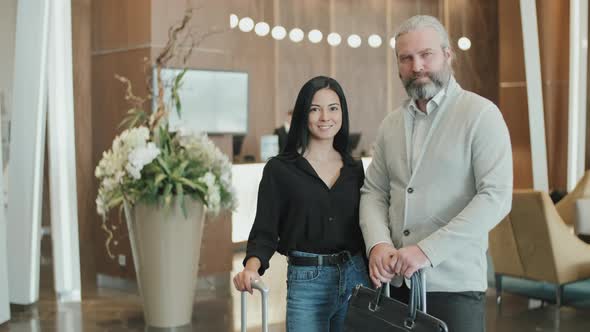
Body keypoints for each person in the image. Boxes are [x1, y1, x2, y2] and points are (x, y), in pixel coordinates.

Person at [359, 15, 513, 332]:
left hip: (455, 287)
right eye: (406, 58)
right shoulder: (391, 124)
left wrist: (427, 251)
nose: (417, 66)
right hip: (394, 285)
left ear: (447, 55)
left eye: (425, 54)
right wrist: (377, 244)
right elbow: (373, 192)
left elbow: (496, 198)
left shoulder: (481, 114)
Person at [233, 76, 370, 331]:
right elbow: (265, 230)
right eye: (314, 109)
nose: (325, 117)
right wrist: (251, 268)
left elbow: (366, 224)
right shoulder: (280, 169)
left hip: (356, 277)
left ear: (342, 113)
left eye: (333, 108)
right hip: (308, 282)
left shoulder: (355, 168)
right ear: (302, 114)